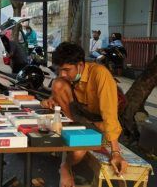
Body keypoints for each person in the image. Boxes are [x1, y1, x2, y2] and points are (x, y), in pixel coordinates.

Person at [40, 42, 128, 187]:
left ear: (80, 65)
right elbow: (59, 96)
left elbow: (109, 114)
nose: (63, 74)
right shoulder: (68, 78)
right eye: (60, 69)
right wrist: (48, 101)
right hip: (81, 119)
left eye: (67, 70)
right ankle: (73, 131)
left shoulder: (100, 74)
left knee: (79, 151)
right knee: (58, 83)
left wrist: (116, 152)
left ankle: (65, 166)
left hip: (102, 122)